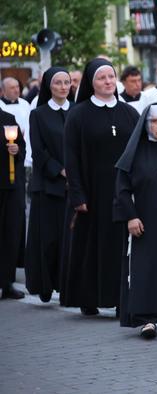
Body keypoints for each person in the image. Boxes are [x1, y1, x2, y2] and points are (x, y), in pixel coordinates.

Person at [60, 58, 139, 315]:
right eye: (101, 78)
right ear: (90, 83)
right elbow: (70, 157)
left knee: (120, 247)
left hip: (123, 191)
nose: (107, 82)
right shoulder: (78, 114)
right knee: (92, 247)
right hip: (92, 192)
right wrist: (77, 194)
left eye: (110, 76)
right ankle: (89, 297)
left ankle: (120, 299)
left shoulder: (129, 113)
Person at [113, 104, 157, 338]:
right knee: (145, 270)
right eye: (154, 122)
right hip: (144, 222)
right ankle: (146, 319)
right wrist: (130, 216)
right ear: (146, 124)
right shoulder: (136, 151)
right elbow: (121, 189)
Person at [24, 67, 71, 303]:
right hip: (48, 185)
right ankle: (44, 284)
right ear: (48, 87)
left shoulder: (77, 112)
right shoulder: (39, 114)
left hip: (74, 186)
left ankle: (65, 284)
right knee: (48, 239)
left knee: (68, 239)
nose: (63, 87)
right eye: (58, 83)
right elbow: (38, 152)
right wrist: (61, 170)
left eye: (67, 82)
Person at [0, 109, 26, 299]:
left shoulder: (7, 119)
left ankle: (6, 282)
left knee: (9, 234)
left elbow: (20, 147)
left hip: (8, 186)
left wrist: (16, 150)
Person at [1, 77, 32, 168]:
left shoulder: (25, 104)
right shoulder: (1, 106)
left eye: (17, 87)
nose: (16, 90)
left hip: (25, 142)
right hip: (6, 147)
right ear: (3, 90)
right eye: (12, 88)